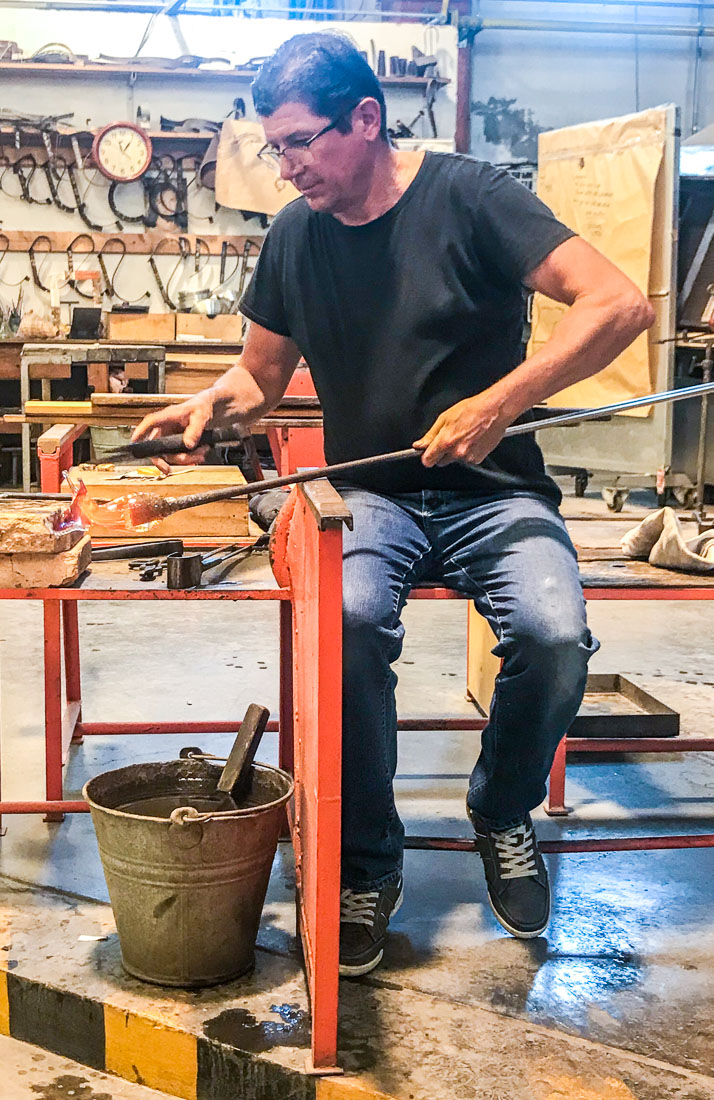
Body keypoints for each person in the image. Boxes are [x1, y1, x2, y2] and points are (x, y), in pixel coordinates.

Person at [133, 32, 654, 977]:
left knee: (551, 636)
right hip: (368, 496)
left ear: (366, 119)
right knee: (347, 622)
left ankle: (501, 809)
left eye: (300, 144)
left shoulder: (473, 197)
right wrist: (214, 401)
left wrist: (499, 404)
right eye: (274, 149)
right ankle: (368, 862)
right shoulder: (296, 233)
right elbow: (260, 375)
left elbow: (618, 305)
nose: (287, 170)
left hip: (495, 495)